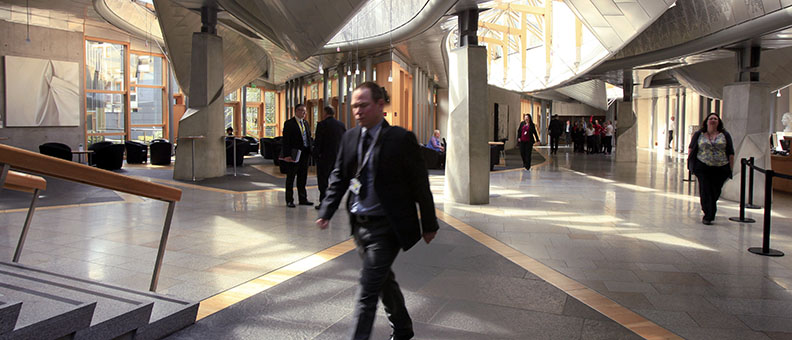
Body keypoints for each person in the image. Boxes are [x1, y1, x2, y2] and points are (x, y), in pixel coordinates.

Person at [316, 82, 438, 340]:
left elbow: (420, 184)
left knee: (367, 289)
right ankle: (403, 328)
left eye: (363, 105)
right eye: (354, 106)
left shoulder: (401, 139)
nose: (357, 111)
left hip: (387, 227)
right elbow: (339, 176)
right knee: (382, 280)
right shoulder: (349, 137)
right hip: (360, 226)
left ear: (380, 105)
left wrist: (429, 223)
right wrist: (326, 210)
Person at [688, 113, 734, 225]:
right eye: (711, 118)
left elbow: (730, 152)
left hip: (720, 167)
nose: (713, 120)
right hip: (703, 166)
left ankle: (710, 209)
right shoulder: (699, 134)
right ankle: (709, 214)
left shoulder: (724, 134)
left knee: (715, 190)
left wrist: (731, 168)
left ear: (718, 122)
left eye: (715, 119)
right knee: (705, 189)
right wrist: (690, 163)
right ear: (706, 121)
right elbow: (691, 148)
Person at [313, 106, 346, 210]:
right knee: (335, 181)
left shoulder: (322, 125)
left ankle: (324, 202)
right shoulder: (341, 125)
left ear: (325, 113)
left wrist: (315, 155)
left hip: (324, 157)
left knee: (323, 181)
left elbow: (318, 142)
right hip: (337, 157)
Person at [281, 104, 313, 208]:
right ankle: (289, 200)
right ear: (296, 111)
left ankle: (303, 198)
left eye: (305, 111)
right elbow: (286, 140)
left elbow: (308, 137)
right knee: (291, 177)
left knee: (302, 177)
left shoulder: (306, 123)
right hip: (294, 155)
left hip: (304, 154)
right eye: (302, 111)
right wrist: (287, 155)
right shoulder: (289, 124)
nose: (304, 113)